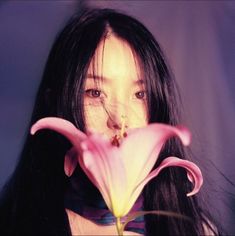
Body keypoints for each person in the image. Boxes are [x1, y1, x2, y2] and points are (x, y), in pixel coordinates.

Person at [0, 8, 220, 236]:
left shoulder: (198, 229)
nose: (119, 121)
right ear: (56, 103)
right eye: (95, 93)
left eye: (139, 94)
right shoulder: (15, 226)